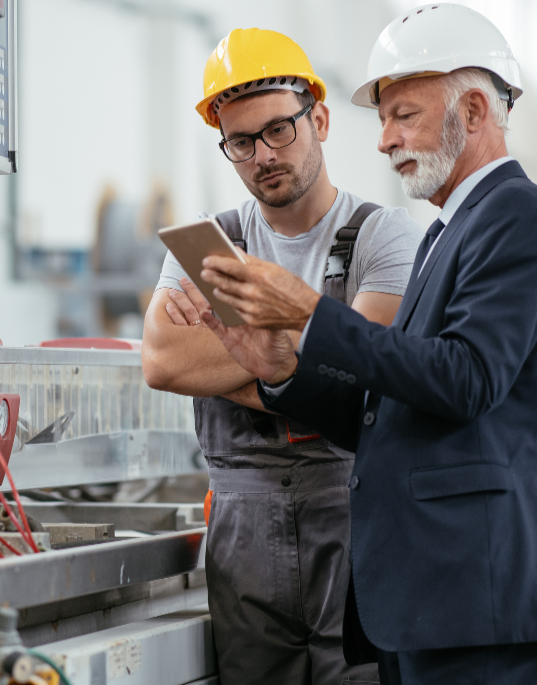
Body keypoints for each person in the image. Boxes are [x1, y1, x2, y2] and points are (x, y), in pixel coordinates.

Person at [193, 5, 537, 685]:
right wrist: (282, 371)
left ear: (473, 110)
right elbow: (395, 404)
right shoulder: (451, 229)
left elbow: (466, 378)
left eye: (401, 115)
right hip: (432, 592)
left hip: (474, 589)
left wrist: (311, 313)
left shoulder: (521, 216)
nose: (382, 140)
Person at [141, 27, 423, 685]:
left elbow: (363, 379)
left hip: (351, 517)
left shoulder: (384, 236)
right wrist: (303, 351)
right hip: (240, 527)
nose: (262, 154)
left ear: (319, 119)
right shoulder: (208, 242)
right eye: (240, 141)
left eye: (277, 130)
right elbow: (161, 361)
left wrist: (239, 349)